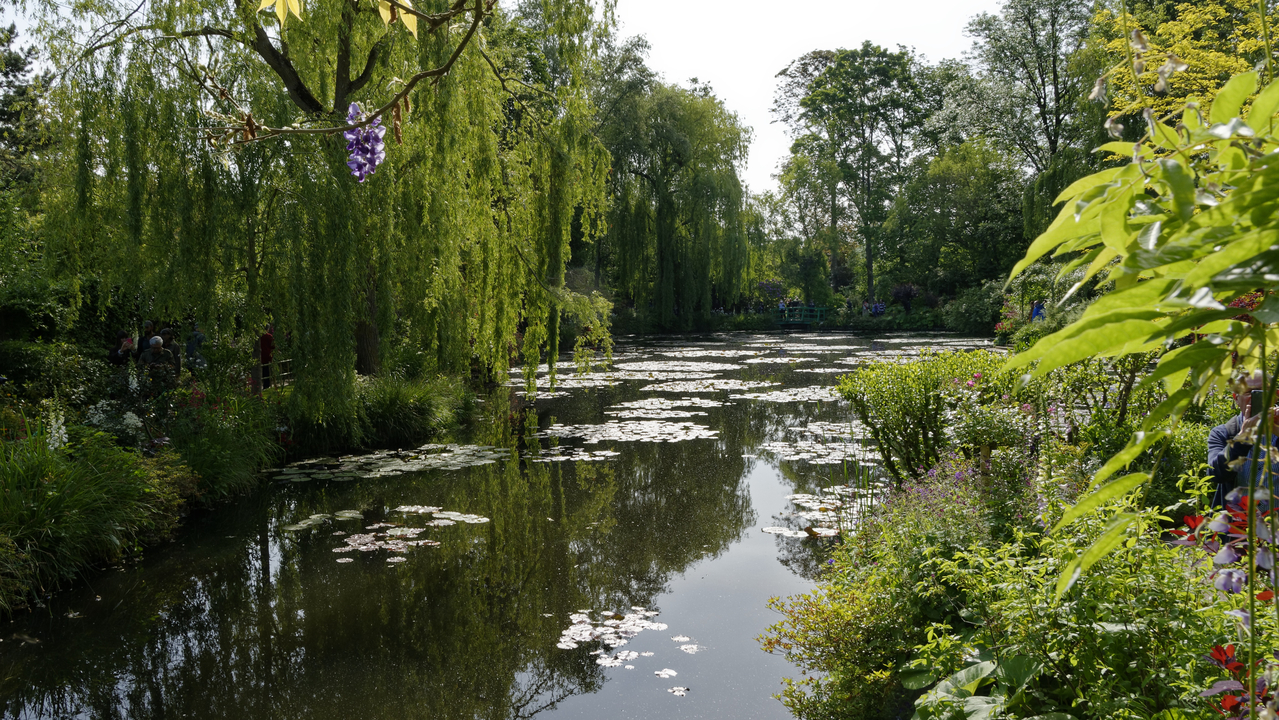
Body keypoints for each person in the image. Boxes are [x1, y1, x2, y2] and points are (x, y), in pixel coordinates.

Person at [1209, 373, 1279, 506]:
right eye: (1249, 392)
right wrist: (1242, 439)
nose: (1256, 397)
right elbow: (1216, 474)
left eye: (1264, 391)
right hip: (1236, 523)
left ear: (1275, 396)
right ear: (1236, 397)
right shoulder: (1223, 433)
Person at [260, 325, 275, 389]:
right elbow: (273, 346)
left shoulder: (259, 336)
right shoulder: (269, 336)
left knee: (263, 370)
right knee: (267, 371)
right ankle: (267, 384)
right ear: (267, 329)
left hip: (260, 355)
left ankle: (264, 384)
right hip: (267, 356)